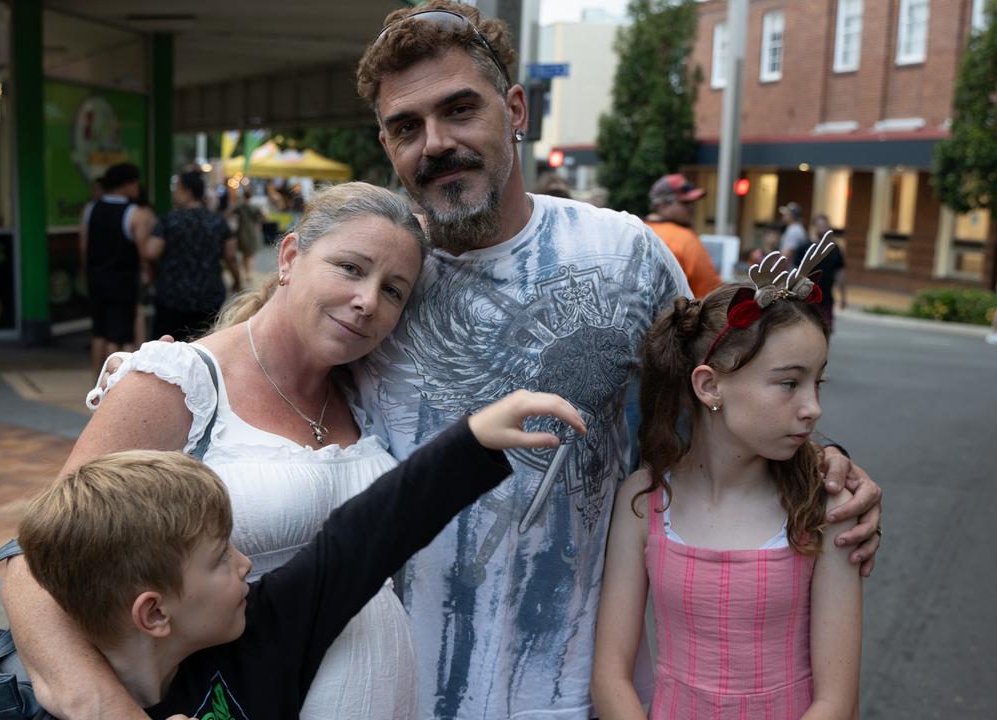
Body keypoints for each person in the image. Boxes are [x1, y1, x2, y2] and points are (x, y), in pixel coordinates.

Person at [352, 4, 883, 717]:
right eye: (406, 127)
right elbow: (267, 388)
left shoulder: (624, 256)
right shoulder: (367, 276)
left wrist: (825, 464)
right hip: (392, 689)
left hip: (571, 691)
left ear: (516, 109)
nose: (436, 143)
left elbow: (717, 401)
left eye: (459, 109)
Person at [2, 182, 431, 720]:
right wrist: (106, 710)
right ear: (291, 257)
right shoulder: (180, 383)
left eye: (393, 290)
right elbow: (39, 562)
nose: (368, 300)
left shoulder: (363, 393)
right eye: (350, 268)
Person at [16, 389, 584, 719]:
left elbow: (358, 539)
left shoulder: (264, 627)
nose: (245, 564)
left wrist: (473, 439)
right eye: (220, 558)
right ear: (154, 613)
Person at [592, 242, 862, 720]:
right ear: (710, 386)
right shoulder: (643, 499)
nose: (812, 408)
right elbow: (611, 674)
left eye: (816, 382)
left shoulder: (824, 507)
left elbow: (836, 702)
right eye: (788, 383)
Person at [145, 171, 239, 341]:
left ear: (187, 191)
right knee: (203, 347)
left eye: (177, 189)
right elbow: (230, 256)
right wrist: (237, 281)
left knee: (165, 350)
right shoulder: (217, 221)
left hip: (172, 295)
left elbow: (151, 251)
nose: (174, 193)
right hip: (209, 296)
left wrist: (157, 274)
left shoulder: (170, 220)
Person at [81, 163, 156, 375]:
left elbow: (83, 247)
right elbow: (143, 252)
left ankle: (96, 383)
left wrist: (89, 272)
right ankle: (112, 387)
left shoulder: (90, 209)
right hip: (122, 282)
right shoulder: (134, 213)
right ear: (128, 184)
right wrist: (148, 273)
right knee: (118, 336)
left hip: (96, 279)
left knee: (98, 333)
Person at [645, 173, 723, 296]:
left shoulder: (638, 231)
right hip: (676, 313)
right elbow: (711, 294)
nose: (692, 208)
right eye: (685, 203)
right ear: (663, 205)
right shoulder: (685, 239)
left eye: (692, 203)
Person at [805, 213, 847, 332]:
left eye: (825, 226)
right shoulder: (805, 246)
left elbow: (840, 273)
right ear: (813, 226)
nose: (823, 229)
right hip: (807, 298)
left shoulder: (834, 249)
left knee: (826, 330)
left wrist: (843, 296)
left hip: (826, 297)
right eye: (820, 226)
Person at [232, 185, 266, 288]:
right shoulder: (254, 207)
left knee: (244, 254)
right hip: (251, 232)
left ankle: (246, 272)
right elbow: (263, 216)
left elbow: (232, 213)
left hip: (241, 231)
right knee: (250, 254)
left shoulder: (240, 206)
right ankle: (249, 273)